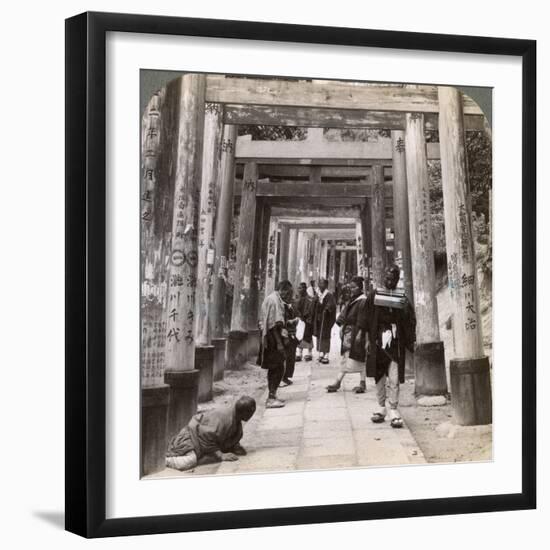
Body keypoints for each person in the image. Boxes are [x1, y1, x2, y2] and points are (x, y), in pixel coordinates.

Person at [366, 265, 416, 428]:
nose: (389, 281)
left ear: (397, 280)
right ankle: (381, 407)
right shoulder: (374, 295)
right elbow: (366, 318)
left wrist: (410, 340)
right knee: (379, 376)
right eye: (387, 278)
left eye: (393, 279)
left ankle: (393, 408)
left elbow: (409, 321)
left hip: (395, 342)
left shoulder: (402, 299)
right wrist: (366, 339)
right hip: (378, 341)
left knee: (393, 377)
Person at [165, 396, 256, 471]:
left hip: (202, 440)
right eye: (251, 412)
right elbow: (205, 436)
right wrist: (221, 455)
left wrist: (235, 446)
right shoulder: (224, 418)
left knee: (209, 458)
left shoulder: (235, 417)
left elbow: (229, 435)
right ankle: (164, 461)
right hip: (192, 437)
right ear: (244, 412)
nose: (251, 415)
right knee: (189, 461)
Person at [326, 276, 368, 393]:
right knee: (349, 357)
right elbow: (344, 314)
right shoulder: (354, 299)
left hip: (356, 332)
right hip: (349, 333)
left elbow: (362, 319)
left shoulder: (363, 300)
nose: (351, 290)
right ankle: (357, 382)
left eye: (353, 287)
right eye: (350, 287)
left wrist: (360, 333)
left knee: (356, 358)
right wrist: (342, 325)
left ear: (359, 288)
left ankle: (340, 381)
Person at [258, 279, 294, 408]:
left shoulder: (275, 299)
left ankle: (272, 394)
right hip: (272, 338)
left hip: (272, 336)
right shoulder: (274, 301)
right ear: (283, 290)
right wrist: (279, 343)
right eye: (288, 293)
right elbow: (274, 325)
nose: (289, 296)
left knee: (277, 367)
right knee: (277, 367)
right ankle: (271, 397)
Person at [313, 278, 337, 364]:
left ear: (326, 285)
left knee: (326, 335)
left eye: (322, 284)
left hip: (326, 319)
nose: (320, 285)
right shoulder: (317, 294)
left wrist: (327, 308)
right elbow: (314, 304)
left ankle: (326, 353)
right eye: (319, 283)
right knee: (319, 335)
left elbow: (332, 305)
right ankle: (320, 353)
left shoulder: (329, 295)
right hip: (319, 318)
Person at [294, 282, 315, 362]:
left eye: (301, 288)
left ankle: (309, 353)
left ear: (304, 289)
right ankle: (299, 353)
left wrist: (306, 317)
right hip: (299, 320)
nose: (299, 290)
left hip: (307, 320)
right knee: (299, 335)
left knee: (308, 336)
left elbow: (310, 309)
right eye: (298, 288)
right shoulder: (297, 298)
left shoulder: (309, 298)